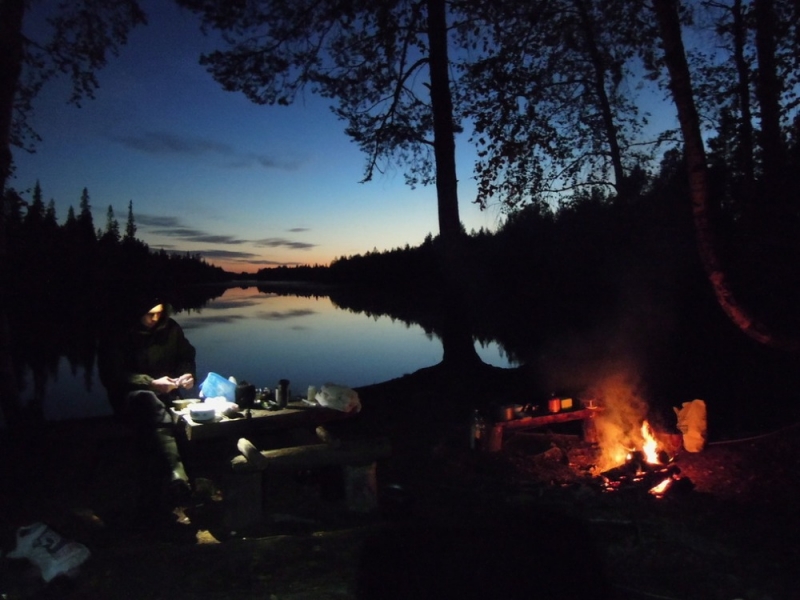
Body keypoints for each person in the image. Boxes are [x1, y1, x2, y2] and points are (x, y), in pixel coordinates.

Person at [98, 293, 197, 522]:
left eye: (159, 313)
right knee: (148, 402)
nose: (155, 318)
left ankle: (177, 487)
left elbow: (186, 355)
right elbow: (112, 375)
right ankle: (177, 476)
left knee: (182, 416)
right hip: (130, 398)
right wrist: (150, 383)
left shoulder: (171, 329)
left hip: (168, 395)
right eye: (149, 314)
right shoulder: (118, 335)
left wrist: (187, 373)